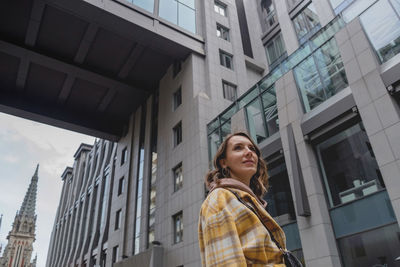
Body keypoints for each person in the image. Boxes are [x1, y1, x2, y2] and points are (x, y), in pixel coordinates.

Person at [198, 132, 287, 266]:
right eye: (238, 148)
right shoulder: (220, 199)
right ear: (224, 162)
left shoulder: (248, 202)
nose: (249, 152)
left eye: (251, 148)